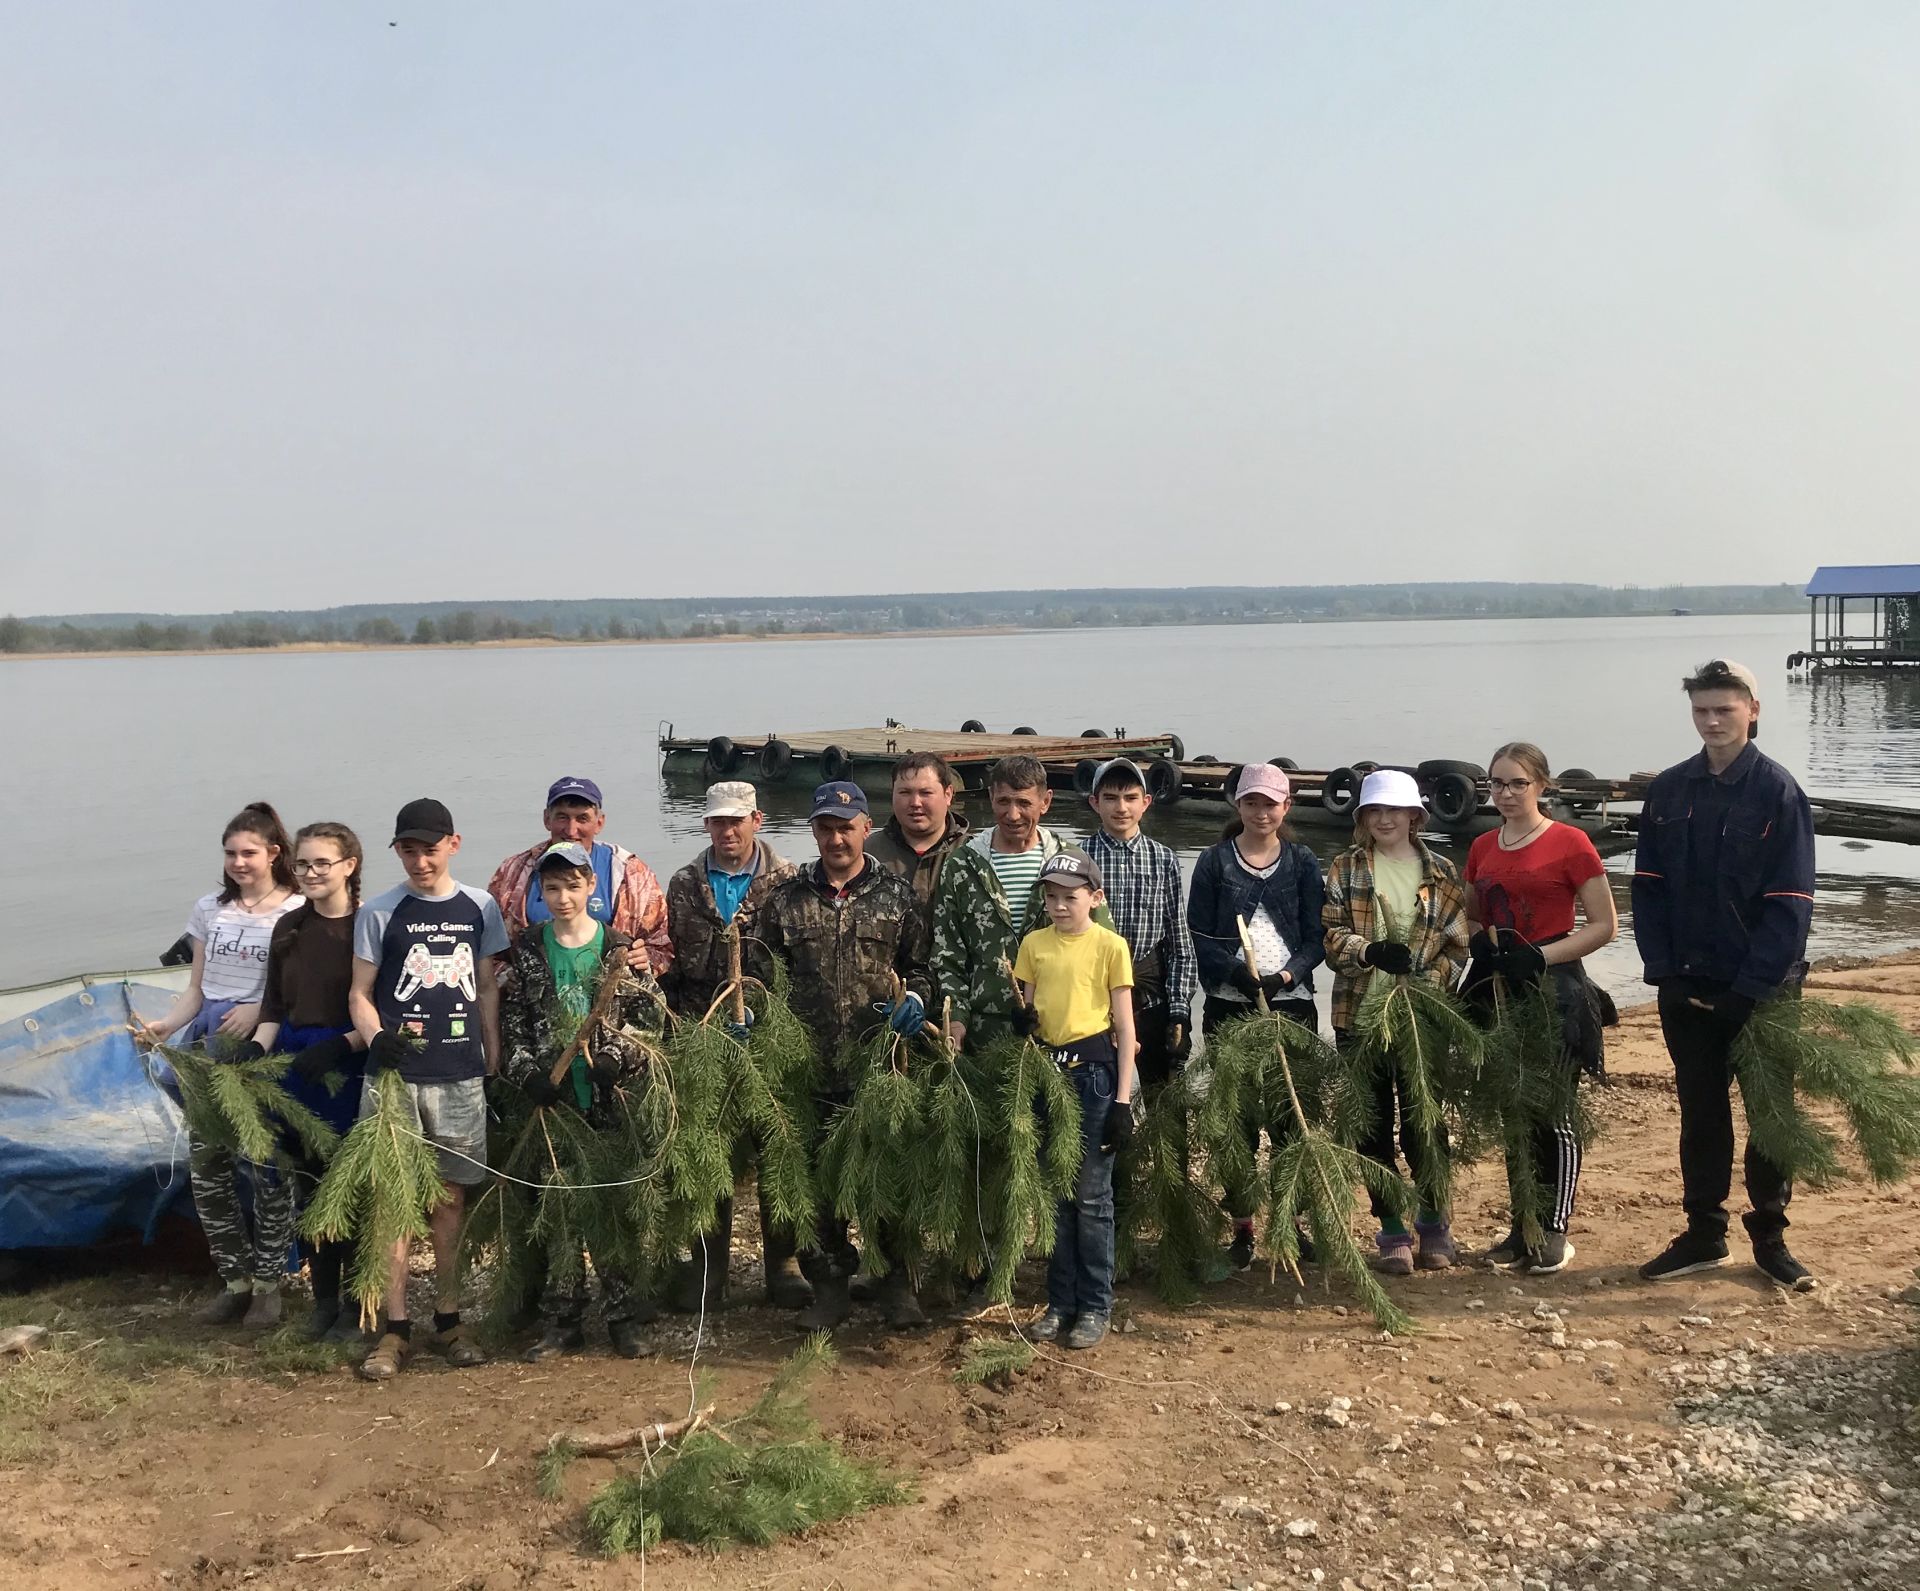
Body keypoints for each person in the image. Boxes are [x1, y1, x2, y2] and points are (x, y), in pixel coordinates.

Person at [1632, 659, 1817, 1290]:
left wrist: (1751, 988)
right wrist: (1663, 973)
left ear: (1753, 712)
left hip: (1761, 992)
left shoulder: (1778, 792)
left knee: (1770, 1114)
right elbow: (1648, 890)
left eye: (1725, 710)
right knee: (1700, 1112)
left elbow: (1791, 902)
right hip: (1686, 984)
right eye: (1701, 710)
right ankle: (1704, 1234)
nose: (1712, 721)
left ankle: (1770, 1236)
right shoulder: (1670, 790)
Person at [759, 782, 933, 1332]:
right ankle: (829, 1288)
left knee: (888, 1177)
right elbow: (763, 980)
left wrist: (916, 1001)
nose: (836, 837)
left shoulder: (897, 896)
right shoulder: (785, 900)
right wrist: (756, 1022)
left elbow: (924, 965)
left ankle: (896, 1285)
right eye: (826, 827)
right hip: (808, 1068)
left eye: (846, 826)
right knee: (818, 1184)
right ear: (813, 831)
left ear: (866, 828)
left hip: (878, 1065)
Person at [350, 798, 508, 1380]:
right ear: (397, 851)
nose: (420, 860)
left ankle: (449, 1316)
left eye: (430, 848)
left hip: (460, 1075)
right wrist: (374, 1038)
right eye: (408, 850)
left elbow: (486, 985)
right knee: (394, 1199)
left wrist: (492, 1050)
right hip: (394, 1081)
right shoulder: (380, 912)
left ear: (454, 844)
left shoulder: (480, 907)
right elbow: (360, 993)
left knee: (449, 1198)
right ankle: (394, 1327)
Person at [135, 803, 304, 1328]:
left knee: (267, 1165)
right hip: (208, 1047)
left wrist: (258, 1009)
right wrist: (166, 1026)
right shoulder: (210, 908)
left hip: (263, 1049)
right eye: (230, 853)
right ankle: (235, 1280)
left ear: (274, 853)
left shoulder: (296, 909)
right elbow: (196, 989)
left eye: (249, 853)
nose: (238, 862)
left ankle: (271, 1284)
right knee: (207, 1167)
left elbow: (299, 988)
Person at [501, 842, 669, 1361]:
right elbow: (513, 1025)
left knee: (612, 1204)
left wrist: (617, 1060)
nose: (562, 897)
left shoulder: (619, 949)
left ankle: (622, 1317)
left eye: (572, 886)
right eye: (551, 888)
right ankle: (563, 1320)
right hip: (554, 1104)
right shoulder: (529, 949)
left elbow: (647, 1018)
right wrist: (529, 1075)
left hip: (605, 1100)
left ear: (591, 886)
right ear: (540, 892)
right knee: (561, 1207)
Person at [1461, 744, 1617, 1275]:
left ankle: (1555, 1229)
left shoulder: (1571, 843)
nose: (1504, 794)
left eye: (1516, 784)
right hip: (1499, 988)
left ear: (1542, 786)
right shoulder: (1482, 845)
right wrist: (1480, 944)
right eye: (1496, 784)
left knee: (1553, 1111)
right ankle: (1522, 1224)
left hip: (1556, 987)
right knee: (1513, 1108)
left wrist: (1540, 956)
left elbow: (1603, 925)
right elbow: (1471, 916)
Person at [658, 780, 804, 1313]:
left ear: (756, 821)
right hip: (702, 1036)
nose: (727, 831)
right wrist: (678, 1034)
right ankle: (707, 1268)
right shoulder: (683, 884)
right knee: (708, 1151)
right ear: (706, 826)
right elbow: (669, 965)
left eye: (736, 821)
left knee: (776, 1146)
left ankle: (784, 1265)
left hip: (769, 1039)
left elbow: (797, 964)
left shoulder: (787, 880)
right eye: (718, 822)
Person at [1322, 769, 1471, 1277]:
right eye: (1374, 811)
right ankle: (1391, 1229)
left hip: (1421, 1019)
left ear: (1414, 816)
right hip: (1359, 1017)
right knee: (1371, 1126)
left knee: (1424, 1123)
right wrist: (1369, 951)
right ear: (1363, 817)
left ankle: (1434, 1224)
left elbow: (1458, 946)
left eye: (1395, 810)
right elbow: (1332, 938)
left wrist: (1429, 984)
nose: (1385, 819)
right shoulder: (1346, 867)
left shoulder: (1442, 871)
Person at [1185, 764, 1327, 1269]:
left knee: (1292, 1115)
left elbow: (1317, 939)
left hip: (1290, 1007)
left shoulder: (1304, 862)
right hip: (1229, 1004)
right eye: (1251, 803)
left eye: (1271, 803)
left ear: (1285, 808)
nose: (1261, 812)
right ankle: (1243, 1226)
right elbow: (1197, 932)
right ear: (1237, 806)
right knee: (1237, 1119)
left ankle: (1290, 1224)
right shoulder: (1214, 862)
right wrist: (1234, 973)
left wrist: (1285, 977)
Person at [1012, 852, 1137, 1351]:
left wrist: (1123, 1102)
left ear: (1095, 897)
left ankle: (1095, 1304)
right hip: (1046, 1075)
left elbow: (1125, 1027)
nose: (1060, 906)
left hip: (1095, 1081)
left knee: (1090, 1197)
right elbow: (1025, 1005)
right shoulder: (1032, 945)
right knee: (1056, 1196)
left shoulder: (1111, 946)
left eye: (1070, 896)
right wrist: (1020, 1019)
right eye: (1051, 897)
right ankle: (1059, 1301)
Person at [255, 821, 371, 1341]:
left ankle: (355, 1303)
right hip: (297, 1063)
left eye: (321, 863)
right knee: (309, 1182)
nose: (309, 873)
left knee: (350, 1184)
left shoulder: (368, 927)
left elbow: (382, 1008)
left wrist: (342, 1045)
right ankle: (323, 1300)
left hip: (347, 1062)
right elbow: (274, 1005)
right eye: (302, 864)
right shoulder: (289, 929)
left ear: (349, 866)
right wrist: (254, 1053)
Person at [933, 755, 1111, 1054]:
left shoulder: (1070, 864)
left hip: (1058, 1031)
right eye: (1003, 801)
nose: (1013, 815)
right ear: (990, 797)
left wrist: (1116, 1021)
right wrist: (956, 1019)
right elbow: (948, 952)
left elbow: (1102, 947)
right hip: (984, 1035)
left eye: (1024, 803)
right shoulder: (963, 865)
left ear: (1045, 801)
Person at [1080, 759, 1196, 1092]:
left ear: (1146, 802)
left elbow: (1179, 944)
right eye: (1111, 798)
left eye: (1130, 798)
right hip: (1094, 999)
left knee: (1164, 1098)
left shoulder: (1164, 858)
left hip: (1151, 997)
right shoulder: (1079, 858)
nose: (1121, 807)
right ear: (1094, 802)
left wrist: (1179, 1012)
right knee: (1101, 1096)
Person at [486, 776, 673, 976]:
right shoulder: (512, 873)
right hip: (537, 999)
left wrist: (646, 959)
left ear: (599, 822)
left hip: (611, 996)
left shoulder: (633, 874)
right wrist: (506, 976)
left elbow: (661, 948)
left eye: (582, 818)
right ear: (546, 819)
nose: (571, 830)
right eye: (562, 817)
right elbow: (488, 950)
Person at [865, 752, 971, 918]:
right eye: (905, 793)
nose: (915, 802)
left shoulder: (972, 853)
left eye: (926, 793)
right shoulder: (868, 853)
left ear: (948, 794)